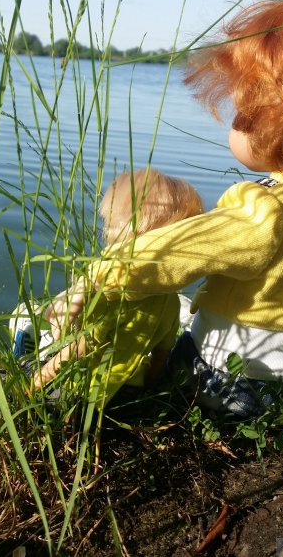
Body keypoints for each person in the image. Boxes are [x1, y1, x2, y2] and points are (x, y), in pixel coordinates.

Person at [45, 0, 283, 418]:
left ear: (282, 129)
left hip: (218, 373)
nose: (235, 123)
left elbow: (177, 250)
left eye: (244, 116)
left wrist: (100, 278)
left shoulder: (263, 209)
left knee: (156, 353)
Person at [31, 168, 203, 407]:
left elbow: (77, 350)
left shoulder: (111, 298)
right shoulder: (170, 301)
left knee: (29, 370)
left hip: (86, 391)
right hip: (130, 391)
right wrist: (149, 390)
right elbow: (161, 356)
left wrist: (33, 384)